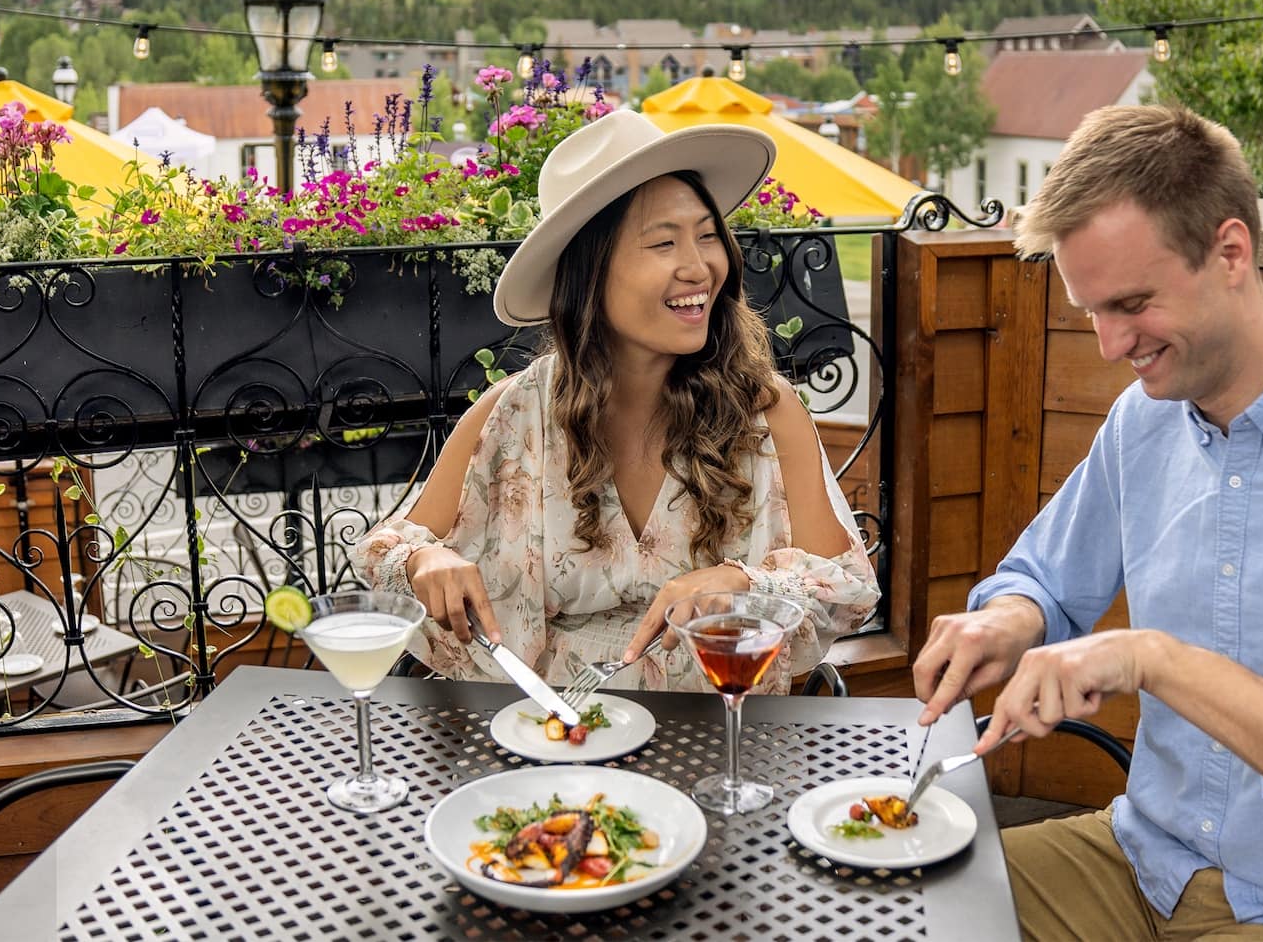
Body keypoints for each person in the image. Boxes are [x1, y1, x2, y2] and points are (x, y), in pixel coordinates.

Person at [913, 105, 1263, 942]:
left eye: (1132, 304)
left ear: (1229, 252)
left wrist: (1155, 660)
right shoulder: (1143, 421)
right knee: (893, 903)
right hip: (1144, 858)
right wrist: (1009, 620)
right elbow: (1045, 578)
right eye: (1091, 313)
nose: (1111, 345)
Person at [354, 107, 879, 691]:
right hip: (546, 733)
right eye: (663, 243)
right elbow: (384, 553)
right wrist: (426, 561)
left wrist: (744, 584)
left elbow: (848, 587)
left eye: (707, 236)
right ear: (589, 273)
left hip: (722, 738)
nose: (699, 266)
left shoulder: (765, 412)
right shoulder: (513, 413)